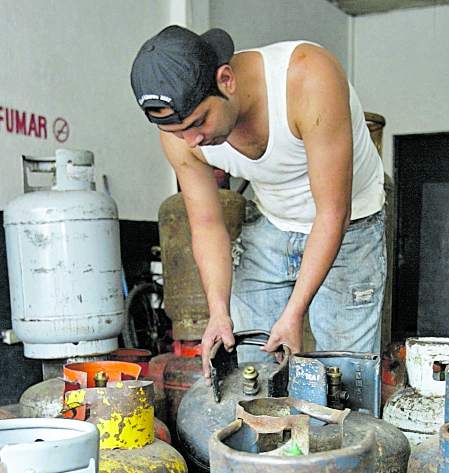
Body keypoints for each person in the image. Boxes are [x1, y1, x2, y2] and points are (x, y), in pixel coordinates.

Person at [131, 25, 386, 381]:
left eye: (199, 122)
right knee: (250, 375)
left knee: (345, 379)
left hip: (350, 225)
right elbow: (206, 223)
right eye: (178, 132)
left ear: (226, 80)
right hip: (273, 223)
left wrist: (294, 312)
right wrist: (218, 312)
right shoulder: (180, 135)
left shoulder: (308, 78)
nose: (192, 141)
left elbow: (333, 212)